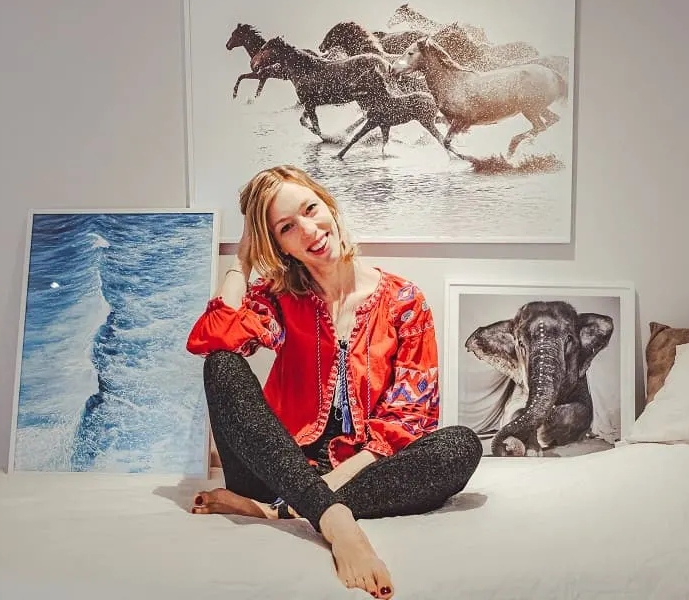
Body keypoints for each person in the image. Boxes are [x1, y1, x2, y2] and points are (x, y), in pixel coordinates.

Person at [185, 164, 483, 599]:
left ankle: (282, 513)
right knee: (221, 365)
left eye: (310, 209)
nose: (309, 230)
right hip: (276, 469)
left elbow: (407, 422)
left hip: (360, 474)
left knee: (460, 446)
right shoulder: (281, 299)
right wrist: (244, 260)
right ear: (280, 246)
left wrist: (316, 491)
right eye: (287, 227)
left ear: (329, 204)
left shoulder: (403, 302)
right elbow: (217, 337)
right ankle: (336, 522)